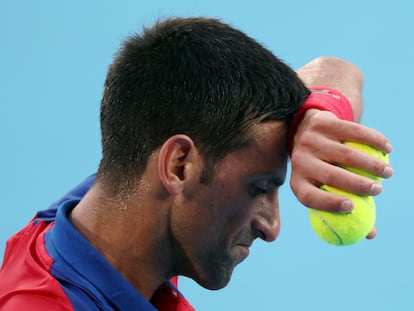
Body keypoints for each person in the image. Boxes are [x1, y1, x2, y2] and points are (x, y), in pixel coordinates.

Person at [0, 17, 392, 310]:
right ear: (179, 166)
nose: (272, 227)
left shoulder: (106, 203)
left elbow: (338, 70)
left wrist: (316, 117)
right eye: (258, 188)